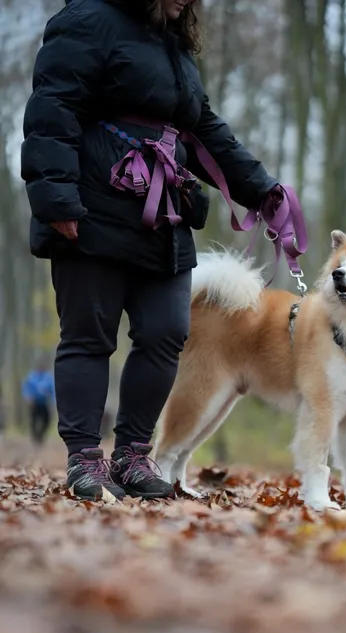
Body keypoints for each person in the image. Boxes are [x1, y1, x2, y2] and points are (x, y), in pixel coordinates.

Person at [21, 0, 282, 500]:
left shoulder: (174, 45)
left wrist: (263, 191)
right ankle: (84, 459)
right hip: (92, 204)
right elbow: (53, 109)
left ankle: (133, 455)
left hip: (163, 214)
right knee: (89, 335)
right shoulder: (86, 20)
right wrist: (56, 197)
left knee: (167, 331)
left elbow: (204, 131)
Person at [22, 360, 55, 446]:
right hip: (34, 403)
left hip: (44, 403)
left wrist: (53, 401)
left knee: (47, 421)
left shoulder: (48, 377)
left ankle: (41, 435)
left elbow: (52, 390)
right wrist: (28, 397)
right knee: (34, 420)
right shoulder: (32, 376)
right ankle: (35, 437)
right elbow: (26, 388)